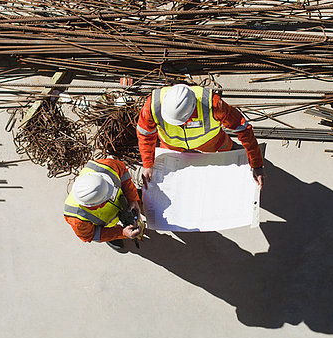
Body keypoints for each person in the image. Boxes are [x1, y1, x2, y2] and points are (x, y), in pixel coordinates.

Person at [137, 84, 265, 189]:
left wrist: (256, 163)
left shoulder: (213, 105)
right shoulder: (152, 107)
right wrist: (147, 164)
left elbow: (243, 129)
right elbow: (145, 135)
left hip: (214, 144)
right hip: (172, 148)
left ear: (192, 108)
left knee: (228, 175)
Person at [64, 158, 142, 250]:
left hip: (123, 200)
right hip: (108, 225)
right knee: (109, 233)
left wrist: (132, 198)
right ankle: (113, 236)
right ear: (98, 205)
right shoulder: (76, 218)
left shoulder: (106, 166)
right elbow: (92, 235)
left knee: (133, 194)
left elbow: (124, 176)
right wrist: (121, 233)